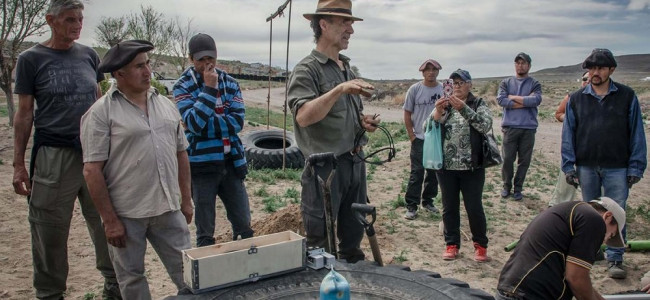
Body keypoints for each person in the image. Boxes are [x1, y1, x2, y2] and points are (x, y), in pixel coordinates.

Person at [11, 0, 120, 298]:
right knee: (49, 229)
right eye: (70, 19)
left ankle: (114, 286)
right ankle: (50, 293)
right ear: (51, 20)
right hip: (53, 155)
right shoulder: (30, 59)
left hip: (94, 155)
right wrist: (19, 163)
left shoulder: (88, 56)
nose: (77, 25)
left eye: (80, 19)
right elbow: (24, 113)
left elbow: (100, 103)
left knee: (106, 222)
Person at [81, 40, 193, 299]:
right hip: (127, 215)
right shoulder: (100, 113)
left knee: (190, 275)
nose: (148, 72)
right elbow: (92, 171)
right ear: (119, 74)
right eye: (139, 66)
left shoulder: (165, 104)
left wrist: (186, 200)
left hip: (168, 208)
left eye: (148, 64)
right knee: (132, 280)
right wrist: (110, 221)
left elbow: (181, 153)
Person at [287, 0, 380, 263]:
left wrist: (362, 121)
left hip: (354, 163)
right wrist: (338, 90)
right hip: (324, 171)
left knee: (353, 236)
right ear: (324, 24)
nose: (351, 29)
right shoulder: (307, 69)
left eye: (351, 22)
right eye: (345, 22)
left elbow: (338, 113)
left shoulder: (345, 67)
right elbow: (304, 116)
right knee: (322, 246)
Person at [561, 48, 647, 279]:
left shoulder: (627, 96)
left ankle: (615, 258)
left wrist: (636, 166)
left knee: (616, 212)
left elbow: (637, 133)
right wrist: (569, 166)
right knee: (590, 212)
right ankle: (591, 253)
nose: (595, 72)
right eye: (591, 68)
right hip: (586, 166)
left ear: (611, 70)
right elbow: (568, 134)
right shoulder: (577, 98)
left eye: (600, 68)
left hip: (617, 166)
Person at [173, 33, 253, 246]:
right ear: (191, 59)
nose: (207, 63)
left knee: (244, 224)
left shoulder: (231, 82)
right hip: (201, 166)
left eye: (211, 58)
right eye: (201, 59)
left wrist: (205, 121)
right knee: (205, 230)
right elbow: (194, 124)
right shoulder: (182, 86)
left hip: (232, 162)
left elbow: (237, 122)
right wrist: (209, 89)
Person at [496, 197, 626, 300]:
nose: (605, 240)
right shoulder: (593, 220)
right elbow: (576, 278)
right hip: (529, 294)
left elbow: (580, 279)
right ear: (607, 217)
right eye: (611, 234)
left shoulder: (571, 211)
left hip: (511, 290)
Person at [430, 69, 492, 262]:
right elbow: (428, 127)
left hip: (472, 167)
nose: (456, 86)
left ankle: (480, 246)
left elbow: (485, 125)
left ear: (469, 84)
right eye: (453, 83)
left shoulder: (478, 104)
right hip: (446, 168)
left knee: (474, 208)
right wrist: (437, 111)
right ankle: (451, 245)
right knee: (449, 207)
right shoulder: (445, 105)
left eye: (460, 82)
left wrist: (464, 108)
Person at [497, 52, 542, 201]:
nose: (520, 65)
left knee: (524, 161)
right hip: (510, 127)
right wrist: (524, 101)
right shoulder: (506, 83)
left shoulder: (534, 83)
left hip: (528, 128)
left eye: (523, 63)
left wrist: (513, 97)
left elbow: (535, 100)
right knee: (508, 159)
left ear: (529, 65)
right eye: (518, 63)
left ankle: (518, 188)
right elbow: (502, 100)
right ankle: (506, 186)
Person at [402, 59, 443, 220]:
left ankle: (428, 201)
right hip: (419, 137)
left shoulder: (443, 89)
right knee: (417, 172)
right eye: (428, 69)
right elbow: (407, 112)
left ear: (438, 71)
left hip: (437, 138)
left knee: (434, 172)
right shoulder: (415, 89)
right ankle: (412, 205)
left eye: (434, 69)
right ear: (422, 72)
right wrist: (411, 135)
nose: (431, 72)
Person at [548, 71, 590, 206]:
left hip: (596, 149)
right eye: (584, 79)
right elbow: (558, 113)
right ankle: (559, 206)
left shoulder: (606, 99)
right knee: (567, 177)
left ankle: (596, 210)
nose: (587, 81)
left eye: (590, 79)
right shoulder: (572, 97)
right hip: (574, 145)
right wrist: (570, 119)